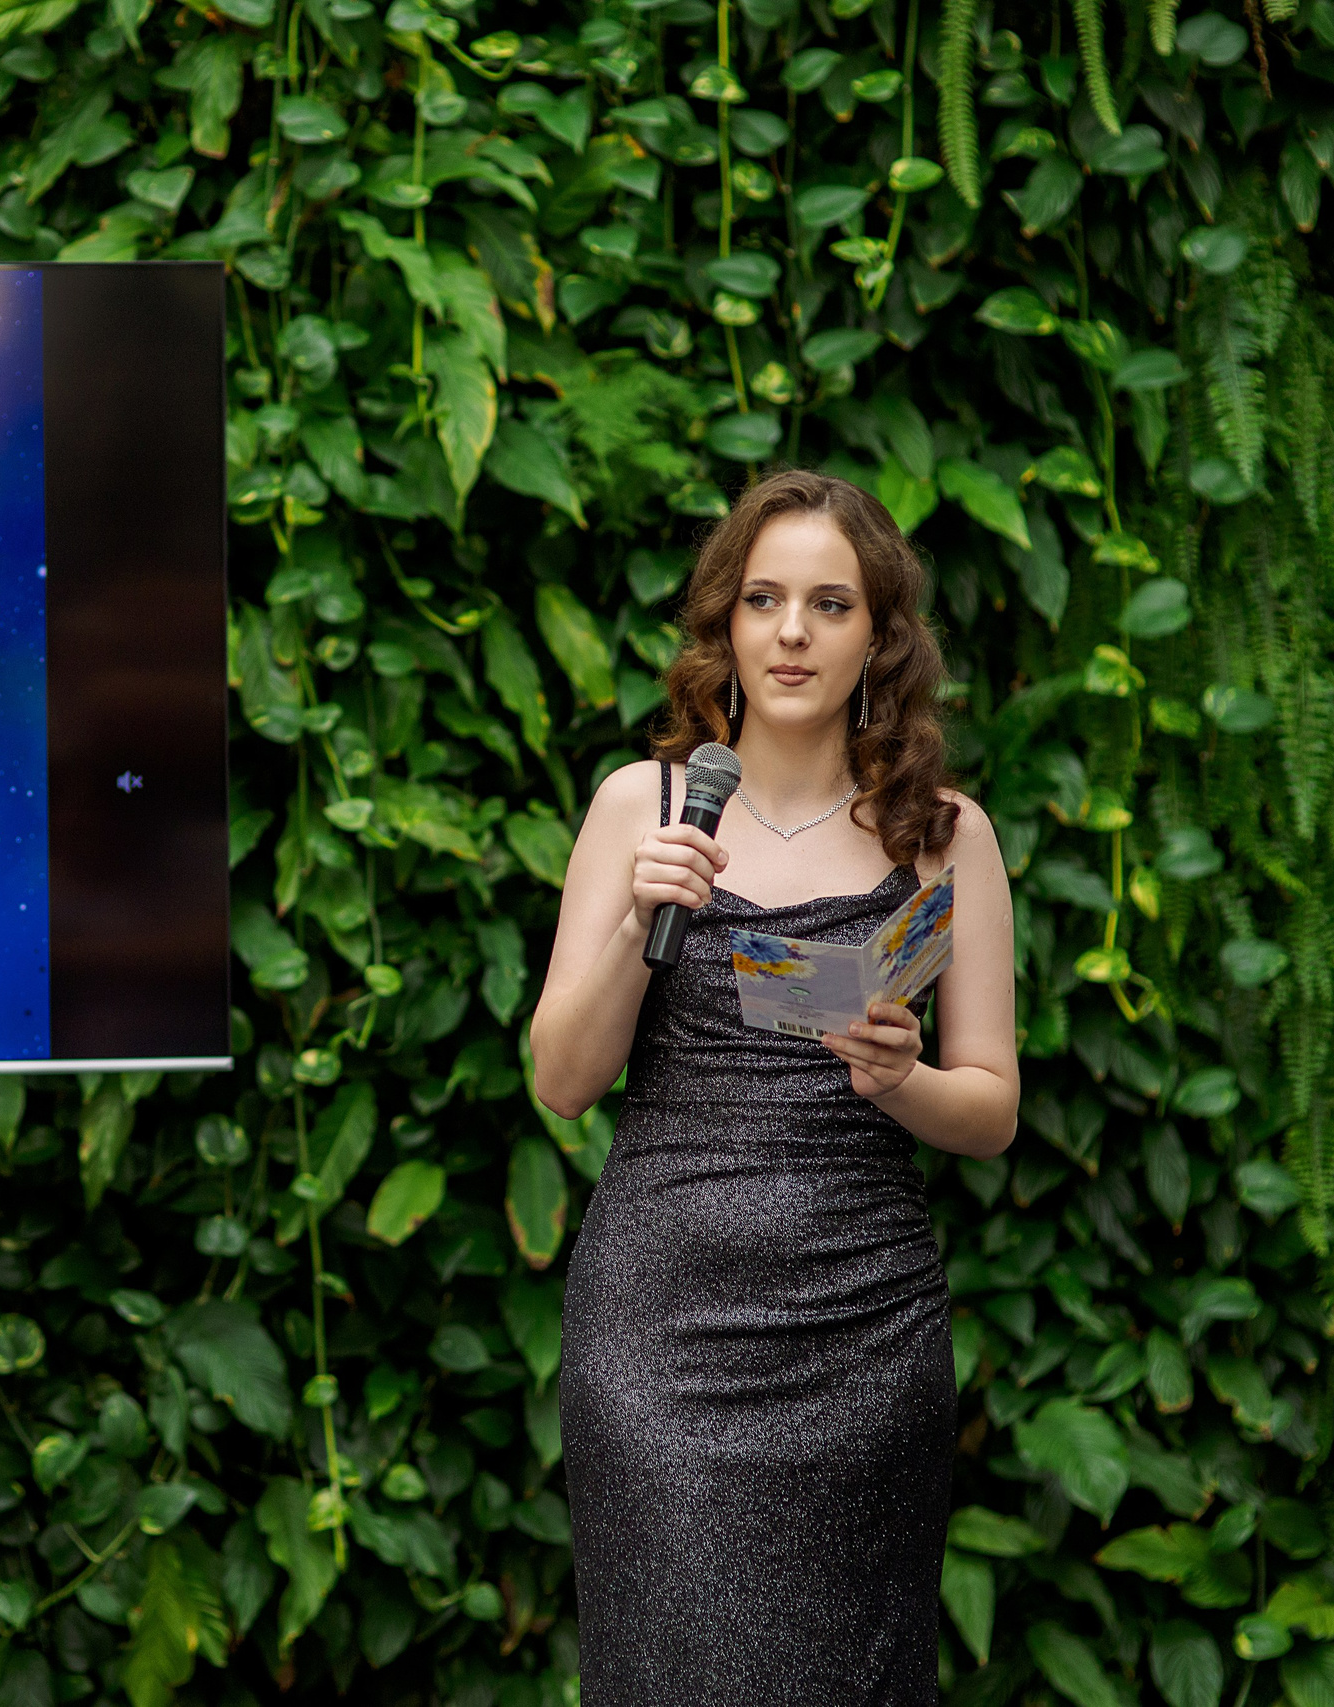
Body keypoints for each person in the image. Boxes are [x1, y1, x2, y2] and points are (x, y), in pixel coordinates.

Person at [528, 469, 1019, 1703]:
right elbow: (563, 1079)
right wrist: (639, 911)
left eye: (830, 603)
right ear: (726, 627)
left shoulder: (941, 832)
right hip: (661, 1333)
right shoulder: (640, 807)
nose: (792, 632)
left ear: (879, 639)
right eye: (763, 598)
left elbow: (991, 1111)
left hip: (865, 1331)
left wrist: (903, 1080)